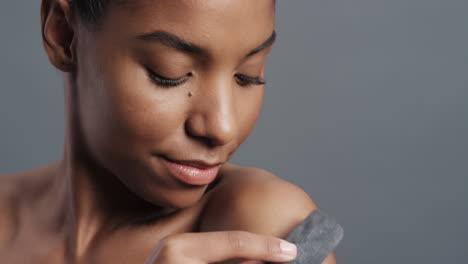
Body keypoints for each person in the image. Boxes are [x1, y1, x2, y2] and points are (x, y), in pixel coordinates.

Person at [0, 0, 337, 263]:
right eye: (170, 73)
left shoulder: (261, 224)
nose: (222, 127)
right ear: (64, 34)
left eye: (247, 75)